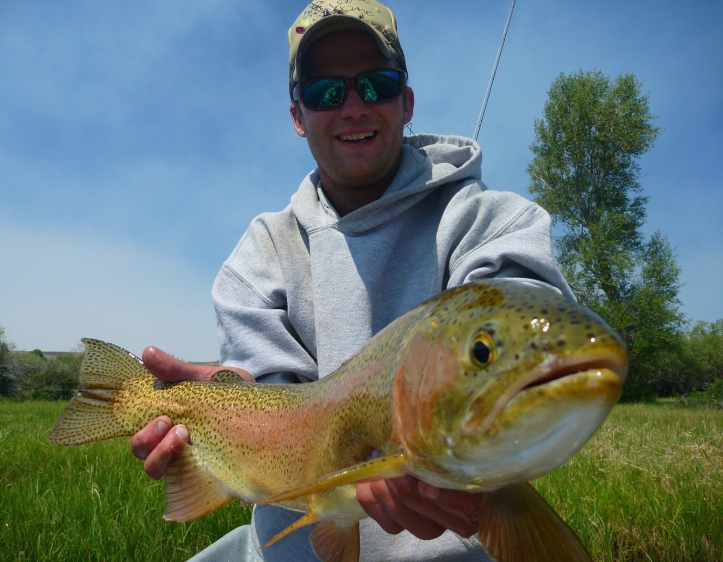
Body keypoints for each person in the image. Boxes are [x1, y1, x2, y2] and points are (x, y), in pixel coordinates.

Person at [130, 1, 573, 560]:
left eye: (376, 84)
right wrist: (240, 410)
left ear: (406, 102)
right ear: (298, 116)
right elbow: (277, 406)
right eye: (326, 94)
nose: (354, 108)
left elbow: (524, 306)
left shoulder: (493, 221)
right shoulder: (259, 253)